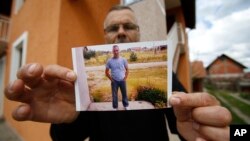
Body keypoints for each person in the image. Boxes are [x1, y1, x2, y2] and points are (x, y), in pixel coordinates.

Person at [4, 5, 231, 141]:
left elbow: (182, 126)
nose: (121, 32)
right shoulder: (83, 79)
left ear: (138, 33)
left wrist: (196, 127)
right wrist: (66, 121)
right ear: (105, 35)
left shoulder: (162, 72)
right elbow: (64, 139)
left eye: (128, 26)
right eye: (114, 28)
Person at [105, 45, 129, 110]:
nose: (116, 52)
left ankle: (126, 105)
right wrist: (111, 79)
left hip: (122, 80)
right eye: (114, 50)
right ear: (112, 51)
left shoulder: (123, 60)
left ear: (119, 51)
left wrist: (125, 78)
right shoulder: (109, 61)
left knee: (124, 93)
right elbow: (106, 72)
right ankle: (115, 107)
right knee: (114, 95)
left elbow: (127, 69)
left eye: (117, 50)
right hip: (114, 81)